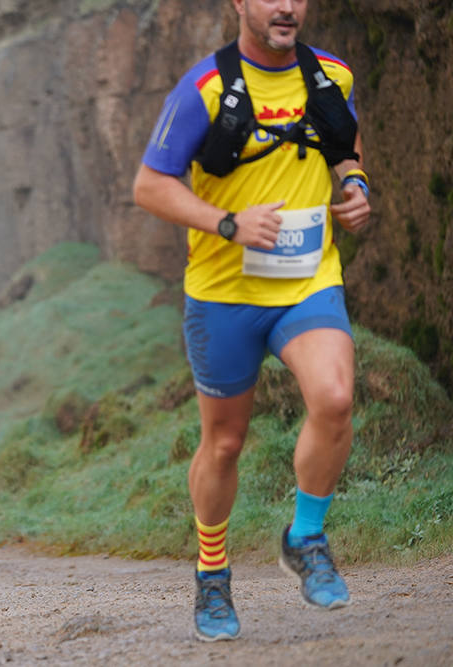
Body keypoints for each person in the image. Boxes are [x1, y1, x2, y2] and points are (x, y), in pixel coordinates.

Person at [133, 0, 372, 642]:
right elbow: (151, 185)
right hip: (222, 291)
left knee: (335, 396)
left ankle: (307, 536)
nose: (286, 6)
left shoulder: (332, 78)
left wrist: (355, 188)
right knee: (226, 443)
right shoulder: (205, 88)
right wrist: (230, 224)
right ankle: (213, 575)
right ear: (239, 4)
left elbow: (344, 148)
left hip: (308, 281)